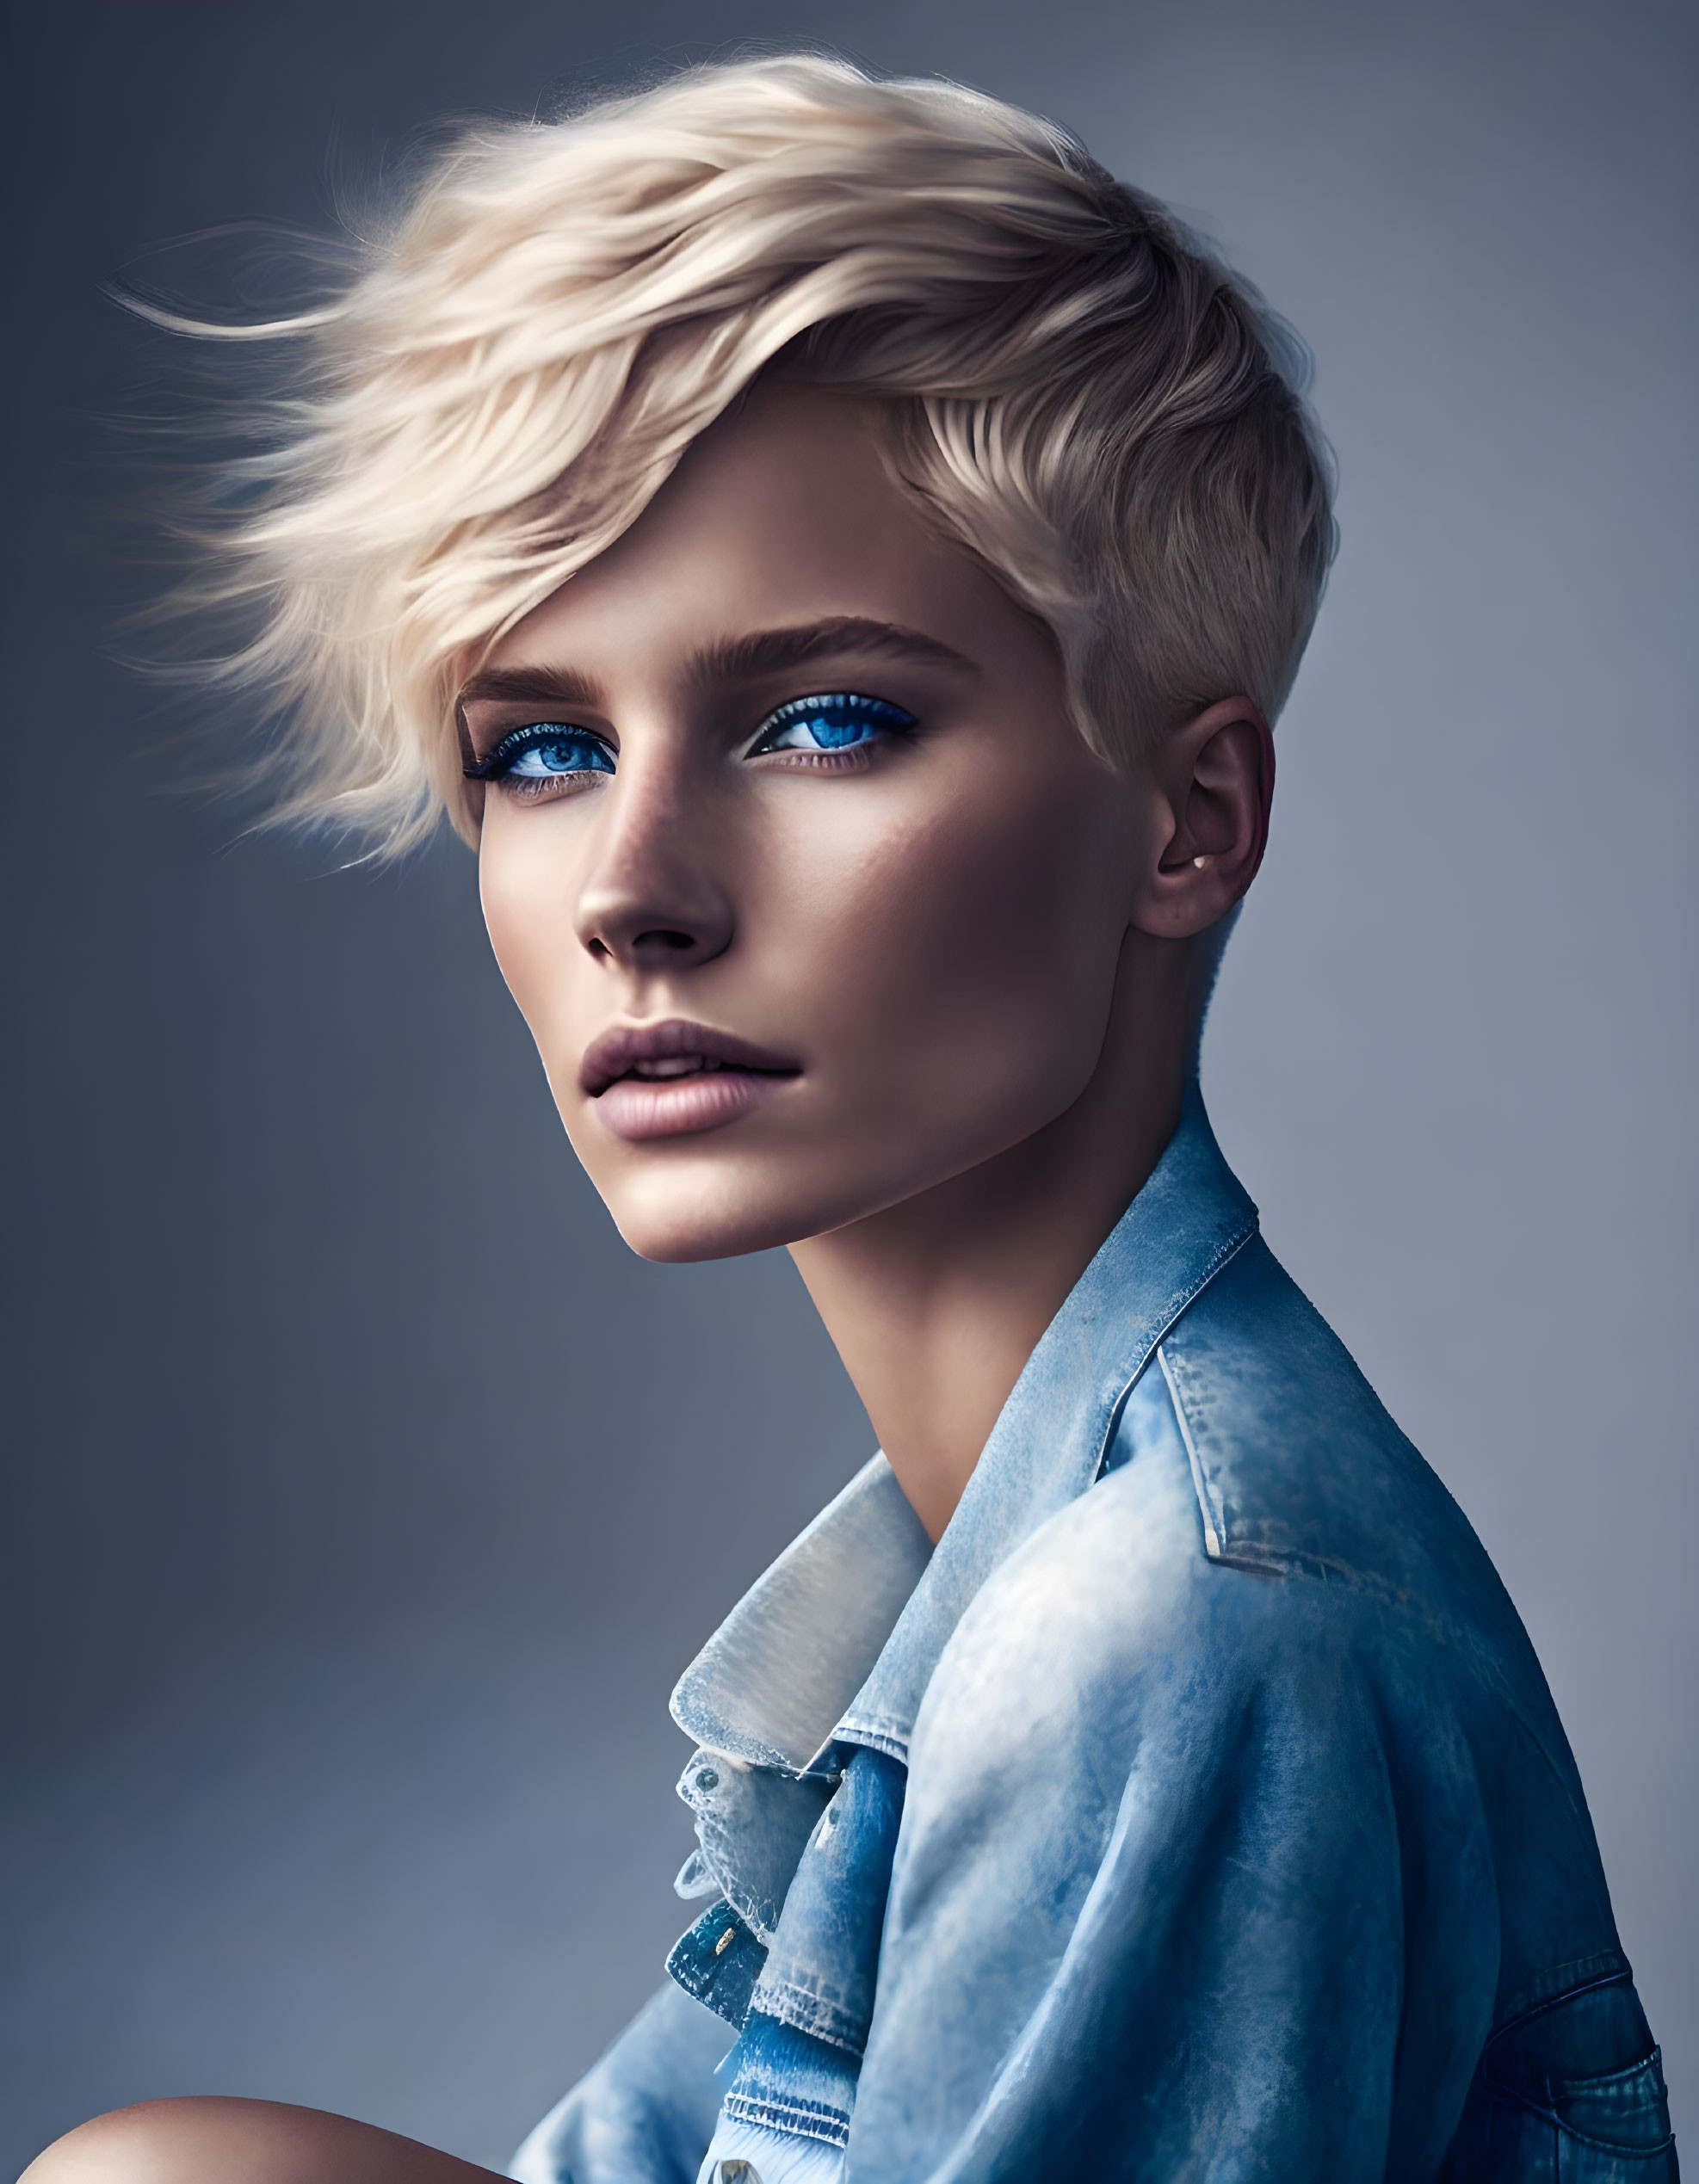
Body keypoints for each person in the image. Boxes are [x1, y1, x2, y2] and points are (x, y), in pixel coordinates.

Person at [22, 52, 1676, 2184]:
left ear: (1189, 819)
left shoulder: (1168, 1627)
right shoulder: (966, 1577)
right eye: (539, 751)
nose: (634, 888)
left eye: (825, 720)